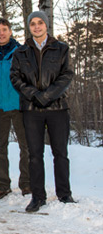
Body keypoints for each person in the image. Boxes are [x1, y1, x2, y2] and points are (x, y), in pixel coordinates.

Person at [10, 11, 75, 213]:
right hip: (31, 109)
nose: (37, 27)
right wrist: (34, 95)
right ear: (29, 27)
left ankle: (65, 193)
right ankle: (38, 197)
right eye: (33, 24)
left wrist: (47, 96)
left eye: (40, 23)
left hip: (57, 108)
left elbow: (66, 76)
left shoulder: (61, 49)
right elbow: (15, 78)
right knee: (34, 155)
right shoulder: (20, 52)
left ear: (46, 25)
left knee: (60, 153)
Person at [0, 19, 31, 200]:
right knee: (0, 147)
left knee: (26, 146)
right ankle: (2, 185)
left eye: (4, 30)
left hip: (19, 105)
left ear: (10, 31)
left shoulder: (22, 52)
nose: (1, 33)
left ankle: (26, 183)